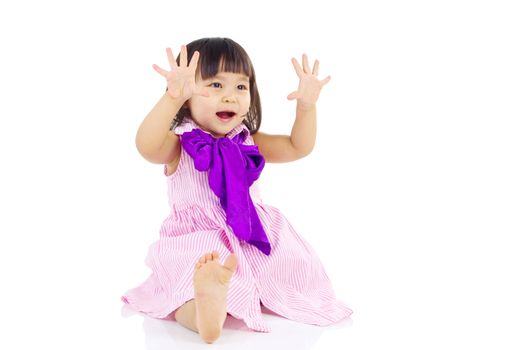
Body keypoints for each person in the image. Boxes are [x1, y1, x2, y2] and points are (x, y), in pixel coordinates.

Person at [122, 37, 353, 344]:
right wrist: (171, 99)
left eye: (240, 87)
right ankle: (204, 309)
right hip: (198, 240)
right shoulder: (180, 144)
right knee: (184, 285)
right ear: (188, 94)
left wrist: (307, 106)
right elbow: (146, 146)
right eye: (216, 86)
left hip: (250, 236)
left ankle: (225, 295)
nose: (229, 97)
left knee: (288, 267)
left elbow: (299, 146)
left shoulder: (249, 140)